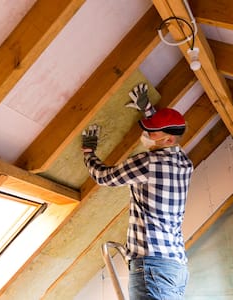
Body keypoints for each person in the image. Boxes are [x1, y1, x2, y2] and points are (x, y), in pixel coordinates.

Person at [81, 83, 194, 300]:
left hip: (152, 267)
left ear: (168, 139)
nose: (146, 134)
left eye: (152, 132)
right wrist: (148, 110)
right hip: (175, 267)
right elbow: (165, 131)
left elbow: (104, 177)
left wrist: (88, 152)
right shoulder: (185, 163)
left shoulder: (148, 163)